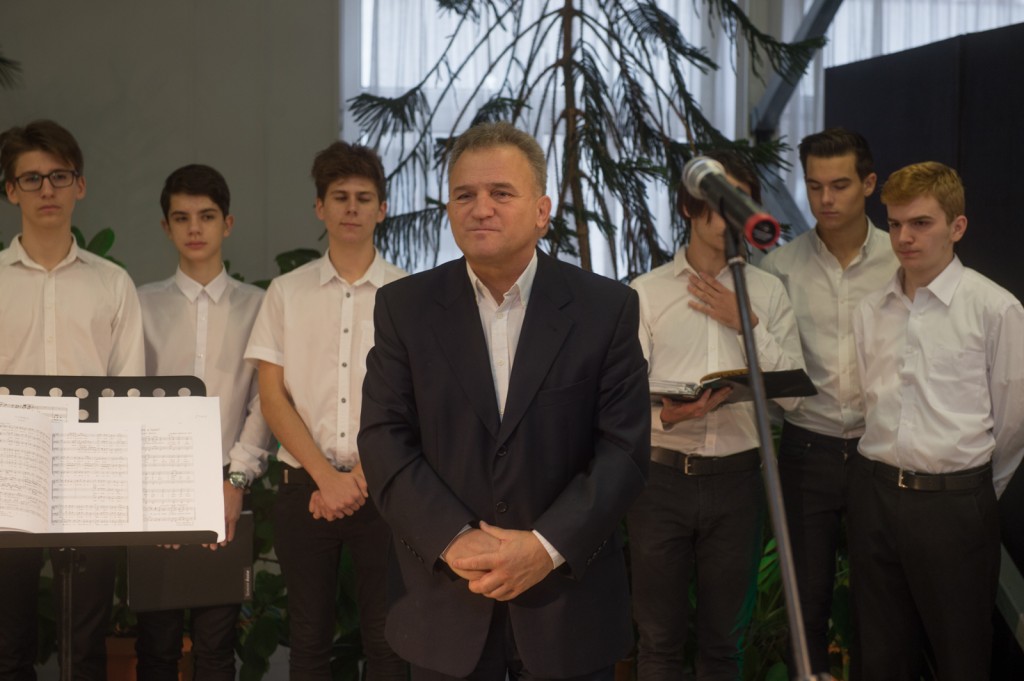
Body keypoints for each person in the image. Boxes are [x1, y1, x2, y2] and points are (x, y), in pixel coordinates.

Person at [358, 121, 650, 681]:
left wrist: (545, 547)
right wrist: (454, 540)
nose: (481, 209)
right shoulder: (404, 308)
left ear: (542, 211)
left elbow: (624, 450)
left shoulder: (605, 308)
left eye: (500, 193)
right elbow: (384, 439)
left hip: (567, 605)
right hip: (447, 600)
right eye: (464, 195)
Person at [628, 149, 804, 680]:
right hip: (660, 482)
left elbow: (794, 397)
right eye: (717, 198)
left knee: (725, 645)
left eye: (740, 200)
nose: (730, 212)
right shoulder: (646, 292)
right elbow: (620, 402)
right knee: (657, 642)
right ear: (689, 206)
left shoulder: (768, 292)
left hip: (738, 481)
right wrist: (669, 417)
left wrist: (744, 321)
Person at [849, 161, 1024, 680]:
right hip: (877, 495)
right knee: (880, 657)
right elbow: (869, 402)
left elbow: (1012, 423)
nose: (904, 237)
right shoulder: (869, 310)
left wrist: (969, 489)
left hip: (956, 504)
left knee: (960, 658)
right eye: (895, 223)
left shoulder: (995, 309)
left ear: (957, 226)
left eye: (920, 223)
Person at [244, 141, 407, 680]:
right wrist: (326, 479)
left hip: (385, 491)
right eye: (340, 197)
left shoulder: (409, 293)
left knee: (388, 642)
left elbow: (419, 401)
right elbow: (272, 397)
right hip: (303, 490)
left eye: (364, 198)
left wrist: (359, 479)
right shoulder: (286, 293)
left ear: (382, 208)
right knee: (308, 641)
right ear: (320, 207)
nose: (351, 208)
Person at [0, 119, 145, 680]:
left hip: (91, 480)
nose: (47, 190)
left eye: (59, 176)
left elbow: (129, 389)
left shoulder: (112, 284)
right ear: (11, 190)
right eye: (31, 179)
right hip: (8, 478)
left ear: (79, 186)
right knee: (8, 645)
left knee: (85, 648)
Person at [759, 128, 897, 673]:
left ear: (869, 183)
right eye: (815, 186)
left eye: (840, 185)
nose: (825, 200)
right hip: (806, 448)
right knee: (805, 601)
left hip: (879, 449)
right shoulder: (779, 268)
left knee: (879, 602)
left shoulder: (901, 260)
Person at [134, 164, 274, 680]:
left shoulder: (259, 306)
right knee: (156, 646)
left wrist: (236, 480)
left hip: (227, 483)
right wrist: (154, 492)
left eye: (207, 216)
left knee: (216, 649)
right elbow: (129, 397)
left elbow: (266, 401)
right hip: (152, 488)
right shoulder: (140, 304)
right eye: (182, 217)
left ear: (227, 224)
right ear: (166, 226)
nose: (195, 228)